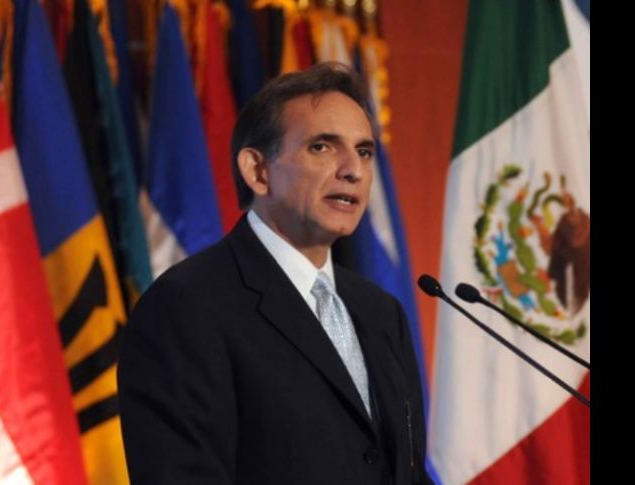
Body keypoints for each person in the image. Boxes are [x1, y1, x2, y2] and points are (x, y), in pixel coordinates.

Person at [118, 62, 432, 485]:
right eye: (322, 147)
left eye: (364, 151)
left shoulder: (380, 312)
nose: (353, 170)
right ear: (257, 171)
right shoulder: (186, 307)